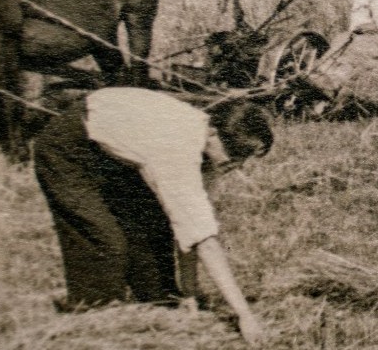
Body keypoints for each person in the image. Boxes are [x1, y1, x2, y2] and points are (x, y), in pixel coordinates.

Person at [33, 87, 273, 345]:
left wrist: (188, 293)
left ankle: (157, 304)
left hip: (115, 155)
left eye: (245, 158)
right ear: (213, 133)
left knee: (153, 238)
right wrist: (244, 314)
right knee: (104, 242)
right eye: (236, 154)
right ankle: (91, 325)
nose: (239, 165)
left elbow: (190, 231)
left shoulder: (204, 146)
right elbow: (207, 243)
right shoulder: (177, 149)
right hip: (69, 149)